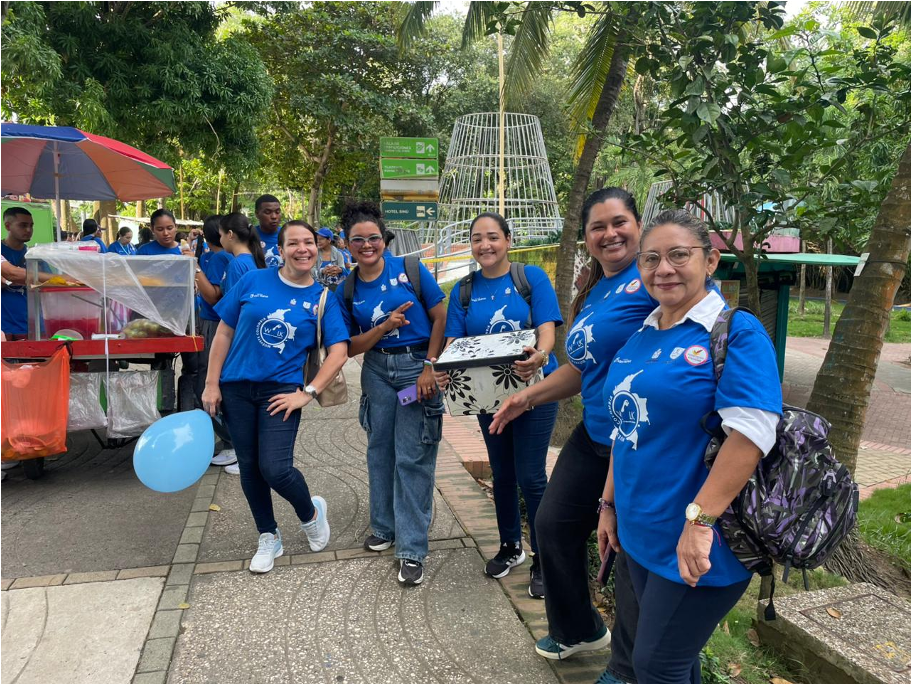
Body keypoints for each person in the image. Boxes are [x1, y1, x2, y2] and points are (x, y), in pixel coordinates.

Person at [598, 210, 781, 683]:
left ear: (711, 260)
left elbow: (752, 433)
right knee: (669, 661)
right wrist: (608, 504)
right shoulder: (643, 332)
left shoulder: (734, 331)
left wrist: (700, 523)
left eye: (679, 255)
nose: (664, 269)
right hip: (641, 531)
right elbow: (625, 428)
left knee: (657, 665)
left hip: (699, 540)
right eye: (651, 258)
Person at [489, 188, 656, 679]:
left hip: (639, 441)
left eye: (619, 221)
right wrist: (528, 396)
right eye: (597, 227)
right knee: (553, 526)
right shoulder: (599, 288)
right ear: (585, 238)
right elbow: (583, 367)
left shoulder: (652, 277)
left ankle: (627, 669)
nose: (610, 234)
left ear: (638, 224)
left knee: (626, 554)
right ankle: (579, 629)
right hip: (595, 431)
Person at [202, 221, 350, 573]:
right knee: (250, 469)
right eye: (294, 243)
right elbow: (224, 332)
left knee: (276, 468)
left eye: (309, 243)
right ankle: (268, 536)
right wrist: (211, 383)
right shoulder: (253, 280)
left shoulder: (322, 298)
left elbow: (339, 351)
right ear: (280, 250)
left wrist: (309, 392)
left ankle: (311, 513)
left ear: (318, 247)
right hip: (236, 387)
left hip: (281, 391)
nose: (303, 249)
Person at [436, 212, 561, 598]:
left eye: (493, 237)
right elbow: (453, 345)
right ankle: (511, 547)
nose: (485, 245)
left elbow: (547, 329)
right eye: (477, 239)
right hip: (490, 396)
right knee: (502, 473)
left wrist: (539, 355)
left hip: (535, 389)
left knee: (531, 475)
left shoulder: (530, 278)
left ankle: (546, 557)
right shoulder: (463, 290)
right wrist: (443, 371)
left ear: (508, 240)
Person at [336, 200, 446, 586]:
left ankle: (412, 549)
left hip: (418, 368)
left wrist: (431, 366)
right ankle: (383, 526)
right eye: (357, 240)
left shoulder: (411, 271)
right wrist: (384, 327)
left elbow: (441, 316)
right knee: (379, 450)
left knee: (412, 456)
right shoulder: (346, 288)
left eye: (373, 238)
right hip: (377, 370)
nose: (367, 246)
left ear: (385, 239)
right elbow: (350, 346)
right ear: (346, 244)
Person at [193, 215, 236, 469]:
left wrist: (194, 268)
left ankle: (232, 443)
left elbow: (212, 296)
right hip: (205, 322)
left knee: (214, 381)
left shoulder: (222, 258)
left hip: (216, 324)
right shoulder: (210, 256)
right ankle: (226, 440)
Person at [1, 207, 35, 340]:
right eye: (23, 225)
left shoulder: (35, 255)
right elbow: (12, 274)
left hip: (32, 329)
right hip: (5, 331)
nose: (28, 230)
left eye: (31, 225)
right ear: (8, 226)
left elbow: (45, 287)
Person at [220, 212, 266, 296]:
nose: (220, 240)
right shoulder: (256, 258)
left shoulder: (236, 265)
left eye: (221, 235)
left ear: (230, 234)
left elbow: (232, 304)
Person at [253, 194, 283, 267]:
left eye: (277, 212)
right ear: (257, 214)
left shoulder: (288, 235)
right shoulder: (249, 236)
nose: (274, 216)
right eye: (267, 212)